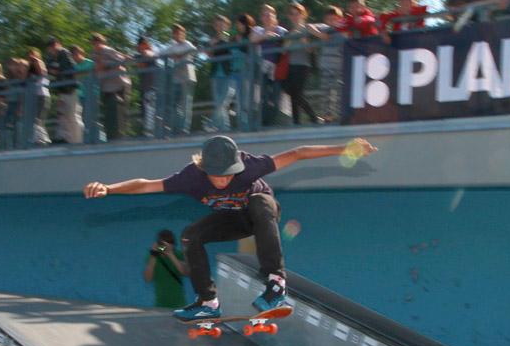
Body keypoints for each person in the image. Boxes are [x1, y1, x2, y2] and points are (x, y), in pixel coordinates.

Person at [83, 135, 379, 320]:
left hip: (261, 213)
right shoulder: (191, 177)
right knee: (191, 235)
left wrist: (346, 148)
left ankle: (276, 282)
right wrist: (108, 188)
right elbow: (147, 185)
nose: (224, 181)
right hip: (233, 220)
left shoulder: (250, 166)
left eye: (229, 175)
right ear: (204, 169)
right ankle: (208, 301)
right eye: (217, 177)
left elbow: (298, 152)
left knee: (261, 204)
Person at [282, 2, 320, 125]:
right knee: (292, 92)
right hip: (290, 65)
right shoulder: (288, 32)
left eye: (297, 14)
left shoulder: (307, 29)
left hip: (304, 65)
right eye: (292, 14)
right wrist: (291, 37)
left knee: (297, 93)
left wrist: (303, 39)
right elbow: (283, 50)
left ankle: (311, 117)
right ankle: (298, 120)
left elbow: (311, 50)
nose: (295, 16)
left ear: (303, 15)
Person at [90, 33, 132, 140]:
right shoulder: (94, 54)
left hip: (119, 84)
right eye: (94, 42)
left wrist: (106, 64)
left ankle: (122, 135)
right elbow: (97, 67)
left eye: (97, 41)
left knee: (122, 111)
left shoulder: (108, 50)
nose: (96, 44)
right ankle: (111, 136)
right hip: (106, 87)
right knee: (109, 112)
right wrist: (102, 64)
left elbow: (123, 61)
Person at [309, 6, 347, 122]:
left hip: (340, 66)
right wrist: (321, 35)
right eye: (329, 19)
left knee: (339, 91)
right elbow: (309, 26)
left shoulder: (343, 29)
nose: (332, 21)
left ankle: (341, 116)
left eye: (335, 19)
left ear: (340, 18)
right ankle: (327, 117)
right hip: (325, 65)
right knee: (326, 92)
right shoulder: (325, 28)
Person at [46, 37, 83, 144]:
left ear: (58, 44)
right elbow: (49, 70)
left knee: (73, 116)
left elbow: (70, 68)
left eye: (53, 45)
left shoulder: (64, 53)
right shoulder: (52, 57)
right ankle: (69, 139)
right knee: (64, 116)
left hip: (70, 89)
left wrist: (56, 70)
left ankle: (78, 141)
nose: (52, 48)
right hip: (62, 90)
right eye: (50, 46)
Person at [164, 25, 198, 137]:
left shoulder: (187, 44)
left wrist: (180, 55)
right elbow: (161, 54)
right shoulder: (172, 46)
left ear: (184, 34)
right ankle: (176, 128)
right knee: (174, 105)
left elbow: (194, 50)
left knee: (185, 105)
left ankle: (184, 129)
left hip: (187, 77)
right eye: (175, 33)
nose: (178, 35)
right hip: (176, 78)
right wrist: (174, 56)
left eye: (180, 33)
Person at [143, 229, 189, 309]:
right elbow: (147, 279)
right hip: (160, 304)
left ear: (173, 245)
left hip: (179, 304)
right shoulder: (152, 258)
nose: (165, 247)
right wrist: (153, 256)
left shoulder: (178, 255)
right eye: (162, 244)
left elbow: (185, 272)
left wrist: (170, 254)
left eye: (169, 243)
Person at [209, 16, 235, 132]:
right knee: (219, 104)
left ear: (227, 25)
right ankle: (224, 130)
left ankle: (210, 123)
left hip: (229, 73)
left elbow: (232, 51)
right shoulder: (212, 40)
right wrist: (212, 46)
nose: (220, 27)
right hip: (215, 74)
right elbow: (209, 54)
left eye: (222, 24)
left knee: (222, 102)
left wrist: (219, 42)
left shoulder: (231, 38)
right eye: (217, 24)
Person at [231, 13, 257, 131]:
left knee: (248, 100)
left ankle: (251, 125)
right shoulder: (235, 38)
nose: (238, 26)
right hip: (235, 71)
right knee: (239, 101)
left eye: (240, 23)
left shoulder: (251, 35)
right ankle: (242, 125)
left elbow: (249, 50)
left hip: (247, 71)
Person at [133, 36, 158, 137]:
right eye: (140, 44)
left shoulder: (150, 53)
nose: (141, 46)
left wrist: (139, 55)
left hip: (152, 88)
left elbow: (142, 63)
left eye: (143, 44)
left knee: (151, 109)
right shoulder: (139, 55)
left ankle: (152, 132)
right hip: (145, 88)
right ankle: (148, 132)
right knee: (146, 110)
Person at [26, 49, 52, 145]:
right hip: (34, 96)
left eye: (32, 55)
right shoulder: (30, 68)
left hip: (42, 95)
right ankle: (40, 138)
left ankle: (42, 139)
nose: (31, 57)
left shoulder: (39, 63)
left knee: (39, 118)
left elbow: (43, 73)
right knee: (36, 119)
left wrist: (36, 61)